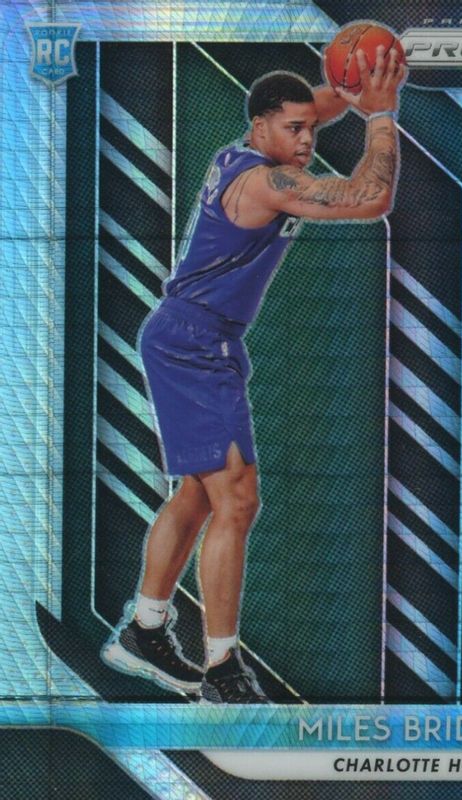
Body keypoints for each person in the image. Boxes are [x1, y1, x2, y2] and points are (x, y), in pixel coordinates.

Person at [102, 45, 406, 703]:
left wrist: (348, 84)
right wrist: (381, 114)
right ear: (261, 125)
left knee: (197, 493)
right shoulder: (265, 183)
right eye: (294, 130)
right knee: (237, 499)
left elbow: (308, 106)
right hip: (194, 346)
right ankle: (222, 669)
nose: (307, 141)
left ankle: (144, 629)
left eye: (310, 129)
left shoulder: (240, 150)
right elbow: (370, 196)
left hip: (192, 338)